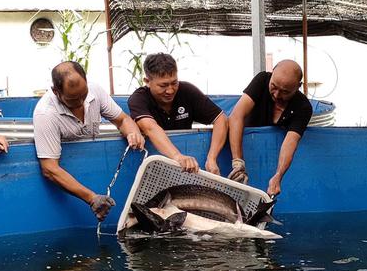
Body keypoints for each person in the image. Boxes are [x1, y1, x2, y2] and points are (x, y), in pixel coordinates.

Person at [33, 61, 145, 221]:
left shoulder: (95, 90)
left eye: (83, 95)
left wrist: (133, 133)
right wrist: (91, 198)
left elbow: (122, 120)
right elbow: (50, 169)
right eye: (72, 99)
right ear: (56, 92)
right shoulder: (46, 114)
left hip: (97, 168)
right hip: (70, 183)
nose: (80, 103)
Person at [127, 53, 228, 174]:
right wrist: (178, 157)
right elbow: (150, 128)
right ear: (147, 81)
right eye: (163, 85)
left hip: (188, 169)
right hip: (152, 168)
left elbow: (221, 119)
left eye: (174, 83)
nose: (170, 90)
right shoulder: (138, 99)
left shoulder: (187, 91)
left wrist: (212, 158)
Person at [228, 60, 313, 197]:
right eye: (274, 86)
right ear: (272, 74)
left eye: (285, 92)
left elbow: (290, 142)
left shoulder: (303, 107)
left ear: (298, 87)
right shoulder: (262, 80)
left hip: (269, 163)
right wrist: (238, 161)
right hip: (245, 154)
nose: (277, 94)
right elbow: (236, 116)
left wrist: (278, 176)